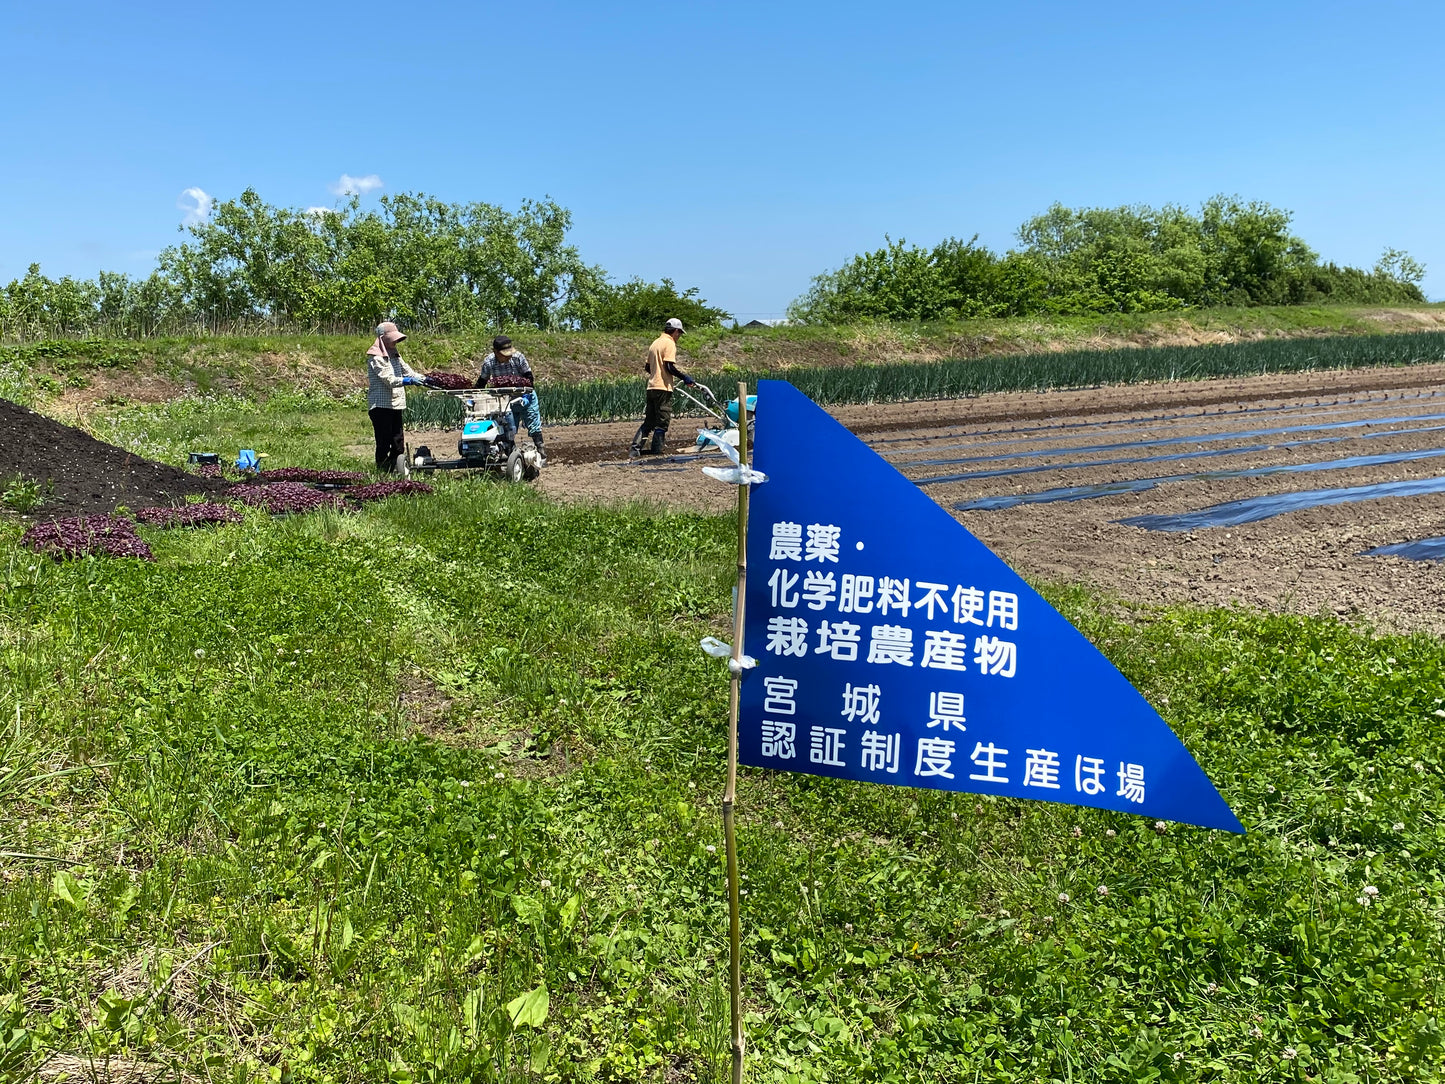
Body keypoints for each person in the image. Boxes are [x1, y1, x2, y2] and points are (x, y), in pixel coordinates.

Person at [366, 320, 429, 475]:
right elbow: (389, 380)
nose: (395, 342)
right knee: (384, 440)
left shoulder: (395, 356)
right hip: (380, 406)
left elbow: (409, 372)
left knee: (398, 440)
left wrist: (425, 378)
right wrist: (407, 381)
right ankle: (382, 468)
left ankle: (396, 467)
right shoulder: (376, 358)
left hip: (396, 404)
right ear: (383, 338)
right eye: (392, 338)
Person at [630, 317, 697, 457]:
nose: (679, 337)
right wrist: (684, 378)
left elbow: (648, 367)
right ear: (676, 331)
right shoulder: (669, 343)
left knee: (649, 421)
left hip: (652, 387)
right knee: (663, 421)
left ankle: (635, 449)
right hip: (662, 389)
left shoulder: (655, 343)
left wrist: (657, 374)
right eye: (679, 334)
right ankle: (656, 450)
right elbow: (668, 366)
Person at [476, 335, 546, 465]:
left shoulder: (518, 358)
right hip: (505, 401)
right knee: (508, 429)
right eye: (504, 354)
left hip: (526, 397)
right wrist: (475, 396)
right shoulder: (489, 362)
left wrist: (525, 395)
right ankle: (512, 455)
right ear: (496, 352)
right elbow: (482, 382)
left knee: (534, 426)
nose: (508, 356)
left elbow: (529, 378)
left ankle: (541, 453)